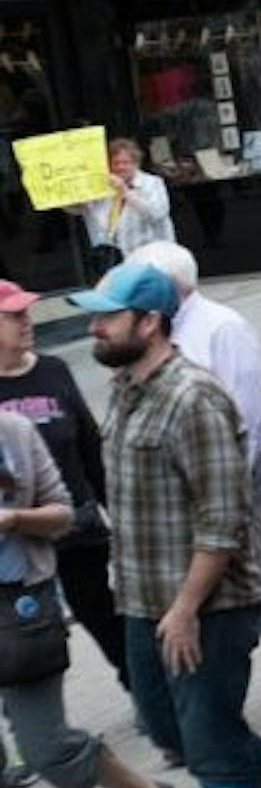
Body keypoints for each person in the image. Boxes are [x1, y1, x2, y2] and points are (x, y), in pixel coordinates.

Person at [74, 263, 261, 788]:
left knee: (213, 752)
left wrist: (186, 609)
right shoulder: (124, 388)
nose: (94, 328)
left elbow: (223, 520)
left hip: (207, 608)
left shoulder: (194, 398)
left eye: (107, 317)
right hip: (142, 604)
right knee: (167, 727)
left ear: (149, 322)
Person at [0, 408, 175, 788]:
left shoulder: (13, 431)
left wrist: (13, 519)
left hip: (19, 611)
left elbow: (63, 514)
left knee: (46, 747)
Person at [125, 242, 261, 707]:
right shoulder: (158, 333)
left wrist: (224, 494)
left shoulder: (222, 327)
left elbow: (249, 416)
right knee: (244, 572)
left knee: (250, 573)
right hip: (192, 484)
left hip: (235, 478)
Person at [0, 281, 122, 685]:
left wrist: (116, 512)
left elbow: (90, 447)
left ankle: (142, 688)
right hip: (16, 544)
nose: (26, 322)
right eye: (13, 316)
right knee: (29, 636)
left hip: (75, 527)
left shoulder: (53, 369)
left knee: (102, 614)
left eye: (26, 312)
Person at [75, 137, 175, 273]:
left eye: (125, 163)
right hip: (114, 259)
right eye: (116, 163)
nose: (120, 167)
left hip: (151, 257)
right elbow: (82, 210)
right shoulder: (101, 186)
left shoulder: (152, 183)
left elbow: (156, 213)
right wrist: (71, 199)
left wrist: (125, 192)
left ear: (136, 163)